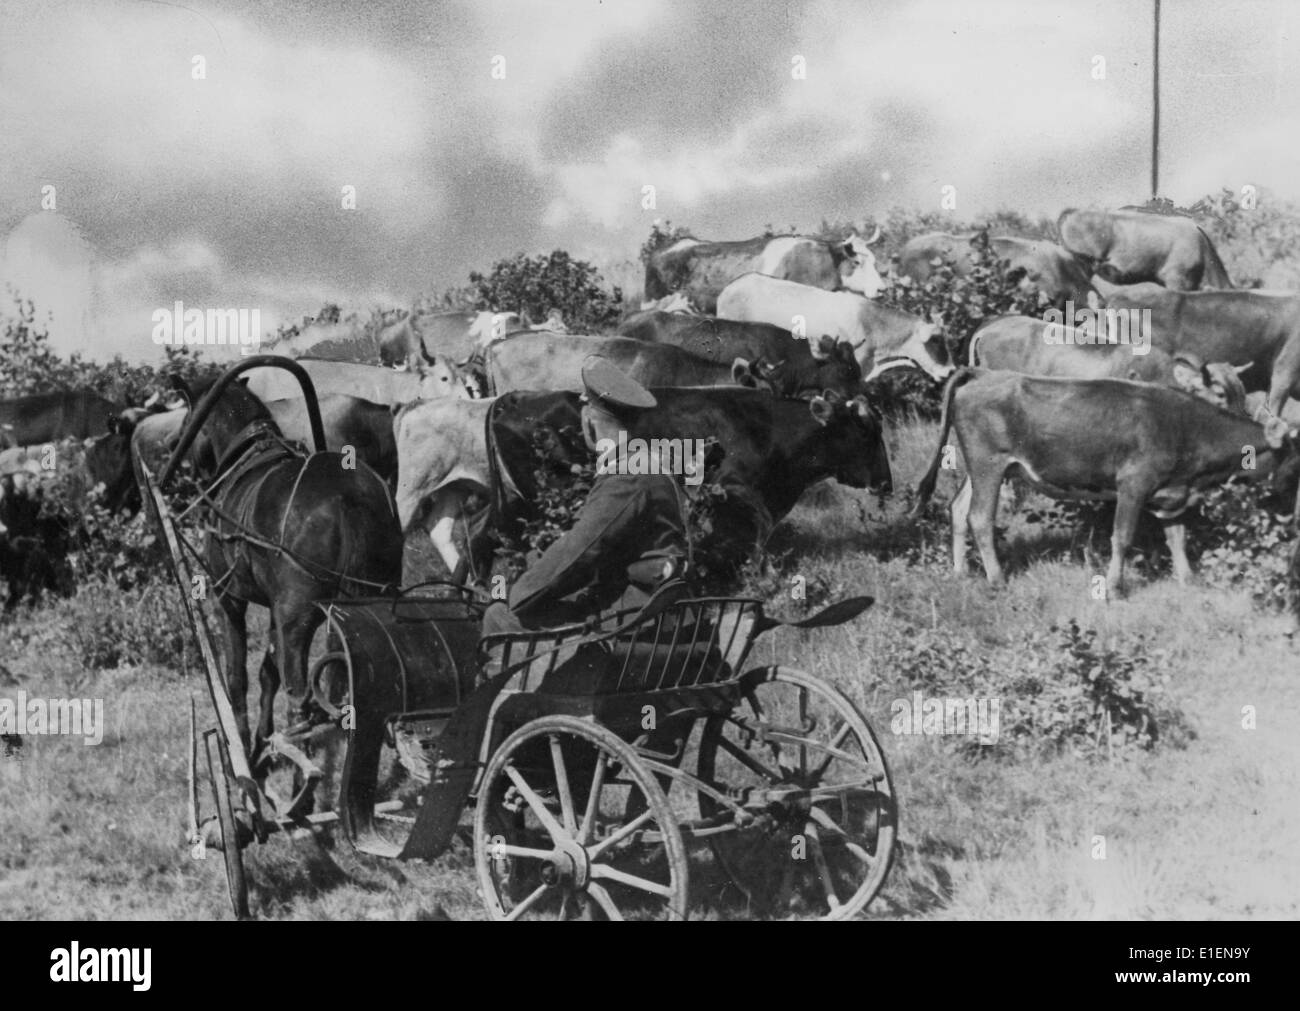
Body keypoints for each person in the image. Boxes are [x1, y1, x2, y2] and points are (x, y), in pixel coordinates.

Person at [479, 358, 692, 675]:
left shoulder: (627, 477)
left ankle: (503, 713)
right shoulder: (651, 463)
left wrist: (520, 594)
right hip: (655, 604)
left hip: (628, 617)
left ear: (589, 418)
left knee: (500, 616)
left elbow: (582, 549)